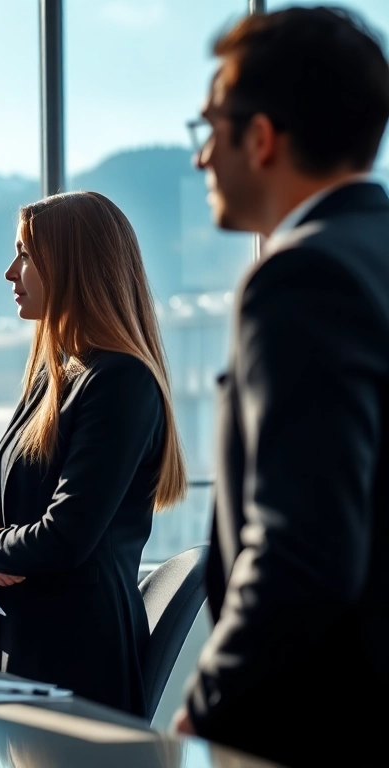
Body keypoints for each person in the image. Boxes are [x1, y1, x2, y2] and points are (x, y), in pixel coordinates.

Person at [173, 8, 389, 765]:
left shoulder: (302, 274)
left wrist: (203, 705)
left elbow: (300, 544)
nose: (202, 161)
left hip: (320, 723)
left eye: (210, 130)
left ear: (260, 137)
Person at [0, 191, 187, 716]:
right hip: (21, 648)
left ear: (73, 265)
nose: (11, 273)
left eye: (26, 255)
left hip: (75, 662)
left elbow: (64, 539)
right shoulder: (52, 376)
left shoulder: (121, 380)